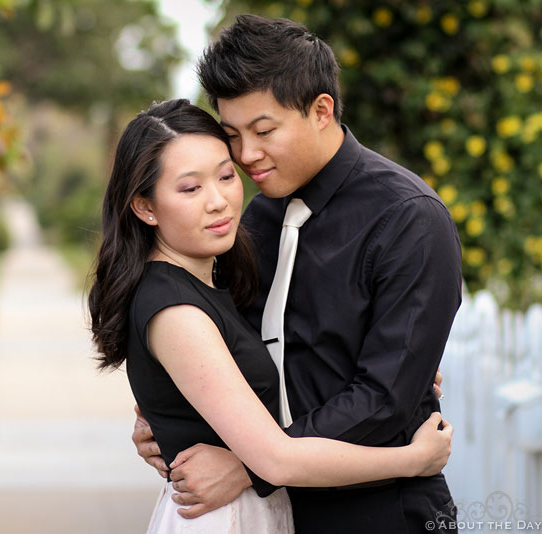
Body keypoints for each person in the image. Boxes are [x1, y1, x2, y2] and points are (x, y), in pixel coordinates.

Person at [132, 15, 463, 534]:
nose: (246, 155)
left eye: (263, 131)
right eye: (233, 136)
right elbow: (216, 340)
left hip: (377, 510)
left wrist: (251, 468)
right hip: (271, 516)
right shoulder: (253, 220)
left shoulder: (408, 218)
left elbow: (384, 400)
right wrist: (164, 411)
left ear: (321, 111)